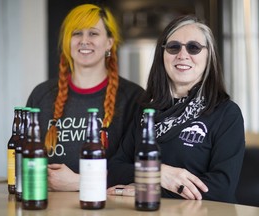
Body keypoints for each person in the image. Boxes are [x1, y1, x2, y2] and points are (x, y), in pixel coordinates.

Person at [107, 14, 245, 204]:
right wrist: (158, 173)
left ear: (208, 55)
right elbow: (115, 169)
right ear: (162, 54)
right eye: (173, 47)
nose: (182, 54)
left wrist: (146, 188)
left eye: (193, 47)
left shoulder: (226, 113)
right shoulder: (146, 110)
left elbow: (221, 188)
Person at [26, 4, 144, 191]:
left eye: (93, 33)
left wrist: (77, 182)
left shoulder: (133, 98)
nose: (84, 40)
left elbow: (138, 171)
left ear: (109, 43)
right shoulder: (41, 95)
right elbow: (24, 159)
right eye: (77, 33)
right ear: (67, 41)